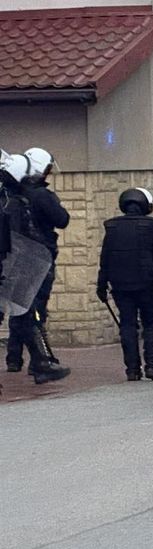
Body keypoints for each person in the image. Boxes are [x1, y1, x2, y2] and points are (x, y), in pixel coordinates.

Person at [0, 153, 69, 383]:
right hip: (17, 265)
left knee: (25, 312)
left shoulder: (15, 200)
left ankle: (38, 361)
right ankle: (38, 362)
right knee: (29, 311)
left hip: (15, 265)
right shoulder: (18, 202)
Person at [96, 188, 153, 381]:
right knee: (151, 323)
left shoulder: (112, 227)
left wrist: (101, 286)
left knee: (127, 325)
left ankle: (132, 369)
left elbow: (105, 259)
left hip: (120, 285)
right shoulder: (150, 225)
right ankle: (152, 366)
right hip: (146, 284)